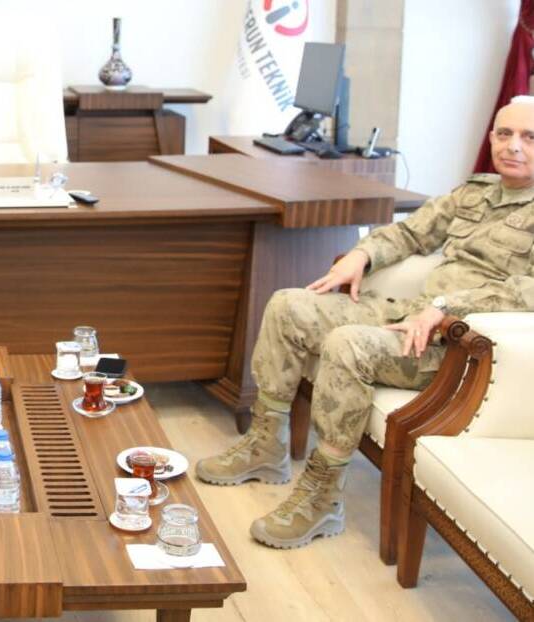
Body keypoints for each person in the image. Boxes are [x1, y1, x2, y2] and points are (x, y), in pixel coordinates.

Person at [196, 96, 534, 549]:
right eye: (505, 134)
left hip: (458, 347)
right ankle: (265, 446)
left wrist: (448, 306)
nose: (514, 146)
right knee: (289, 305)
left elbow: (526, 292)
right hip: (411, 315)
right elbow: (410, 232)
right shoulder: (476, 192)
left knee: (348, 344)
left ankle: (323, 499)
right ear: (491, 137)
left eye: (529, 137)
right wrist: (361, 255)